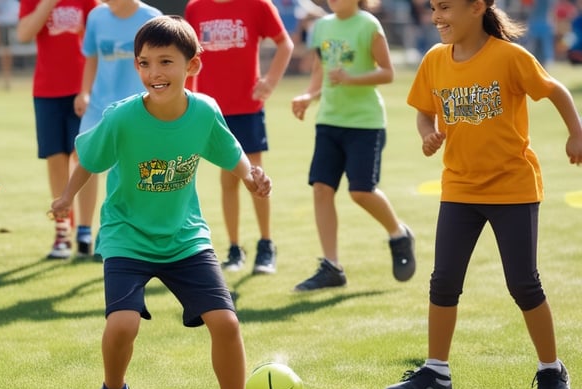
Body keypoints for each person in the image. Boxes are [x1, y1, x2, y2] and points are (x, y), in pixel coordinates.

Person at [50, 15, 276, 389]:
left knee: (226, 323)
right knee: (122, 324)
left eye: (166, 62)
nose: (154, 73)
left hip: (185, 237)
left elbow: (231, 152)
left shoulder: (205, 111)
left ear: (193, 65)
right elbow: (90, 159)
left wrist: (252, 177)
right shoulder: (122, 118)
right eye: (145, 63)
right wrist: (65, 198)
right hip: (126, 236)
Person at [382, 0, 581, 389]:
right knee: (443, 282)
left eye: (446, 8)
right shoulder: (436, 59)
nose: (436, 16)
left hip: (512, 188)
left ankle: (552, 371)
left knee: (524, 284)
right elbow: (424, 112)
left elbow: (555, 90)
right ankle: (436, 372)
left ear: (477, 8)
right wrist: (428, 133)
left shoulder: (509, 57)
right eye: (434, 7)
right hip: (459, 187)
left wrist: (576, 133)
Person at [289, 0, 416, 291]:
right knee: (321, 188)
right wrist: (308, 96)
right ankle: (332, 267)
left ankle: (398, 234)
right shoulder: (321, 26)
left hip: (365, 124)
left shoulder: (368, 25)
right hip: (329, 121)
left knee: (361, 191)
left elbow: (387, 72)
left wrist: (352, 79)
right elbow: (319, 75)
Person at [185, 0, 293, 275]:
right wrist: (186, 99)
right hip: (212, 110)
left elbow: (285, 43)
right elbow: (187, 59)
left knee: (255, 177)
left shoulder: (257, 5)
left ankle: (266, 245)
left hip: (247, 108)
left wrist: (269, 81)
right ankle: (234, 249)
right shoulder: (196, 8)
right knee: (227, 180)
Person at [73, 0, 162, 258]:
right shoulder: (96, 16)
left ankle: (113, 231)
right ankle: (83, 231)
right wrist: (84, 92)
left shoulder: (151, 17)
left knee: (127, 171)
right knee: (85, 161)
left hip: (135, 109)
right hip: (98, 106)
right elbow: (91, 57)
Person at [17, 0, 99, 259]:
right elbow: (23, 34)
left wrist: (87, 89)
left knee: (86, 158)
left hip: (82, 90)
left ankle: (85, 231)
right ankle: (62, 231)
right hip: (47, 90)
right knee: (55, 159)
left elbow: (96, 41)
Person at [0, 0, 21, 90]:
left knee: (7, 54)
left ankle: (7, 79)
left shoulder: (15, 3)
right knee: (3, 54)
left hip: (10, 26)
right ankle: (4, 78)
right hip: (2, 27)